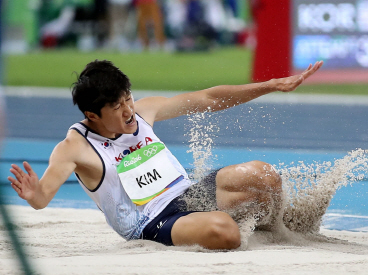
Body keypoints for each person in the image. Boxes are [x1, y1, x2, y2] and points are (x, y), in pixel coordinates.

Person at [7, 59, 323, 250]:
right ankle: (215, 222)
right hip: (152, 222)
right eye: (117, 108)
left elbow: (208, 97)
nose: (129, 111)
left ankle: (280, 228)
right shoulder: (75, 148)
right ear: (92, 115)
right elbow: (42, 197)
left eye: (128, 99)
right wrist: (34, 193)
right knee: (225, 233)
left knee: (264, 175)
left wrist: (269, 85)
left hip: (188, 195)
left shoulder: (143, 111)